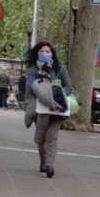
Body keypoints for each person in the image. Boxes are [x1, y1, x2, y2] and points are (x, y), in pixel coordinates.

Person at [23, 42, 75, 178]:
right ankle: (43, 162)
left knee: (51, 137)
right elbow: (30, 89)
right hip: (40, 109)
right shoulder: (33, 70)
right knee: (41, 138)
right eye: (42, 51)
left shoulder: (59, 68)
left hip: (58, 108)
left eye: (48, 51)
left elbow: (69, 86)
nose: (45, 53)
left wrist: (58, 94)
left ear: (52, 53)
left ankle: (49, 165)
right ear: (37, 53)